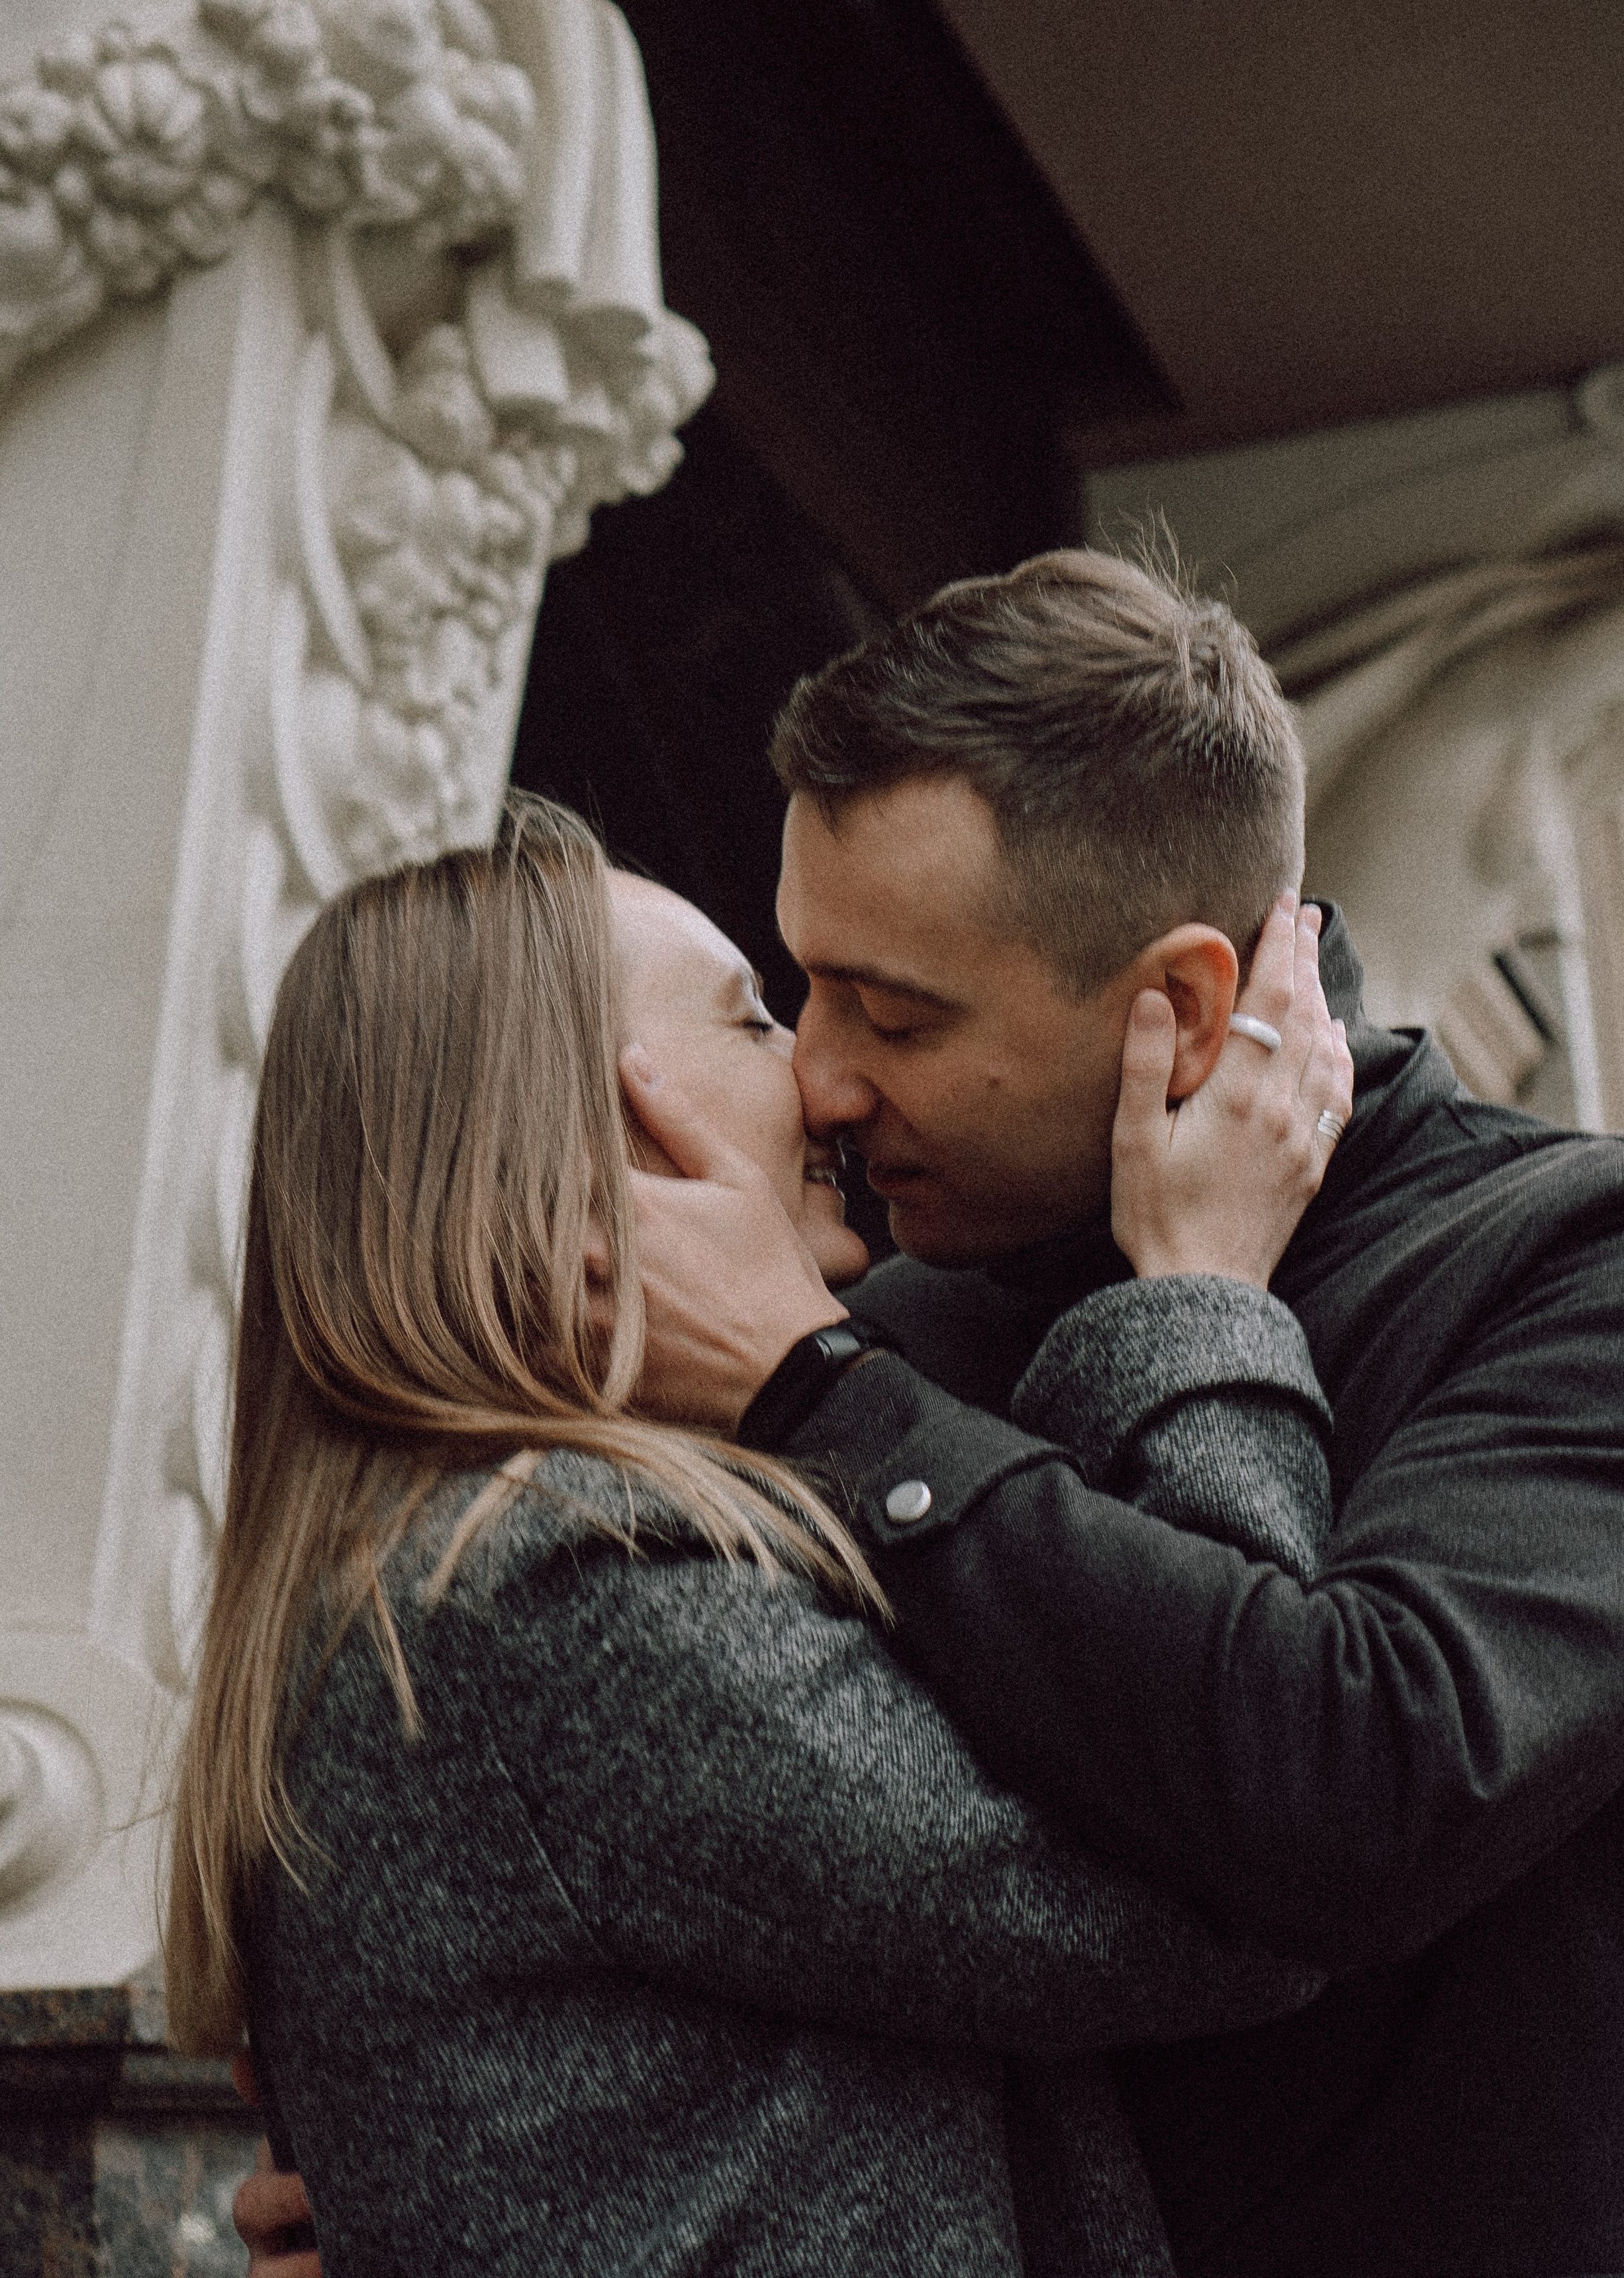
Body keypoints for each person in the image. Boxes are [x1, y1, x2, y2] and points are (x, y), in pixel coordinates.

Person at [615, 548, 1624, 2278]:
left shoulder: (1565, 1268)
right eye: (807, 981)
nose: (820, 1073)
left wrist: (828, 1405)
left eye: (897, 1011)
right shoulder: (874, 1314)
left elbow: (1356, 1785)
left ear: (1188, 1006)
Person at [179, 789, 1351, 2277]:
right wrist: (1200, 1290)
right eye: (750, 1021)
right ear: (581, 1138)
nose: (819, 1075)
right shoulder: (565, 1598)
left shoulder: (453, 1572)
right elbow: (1238, 1876)